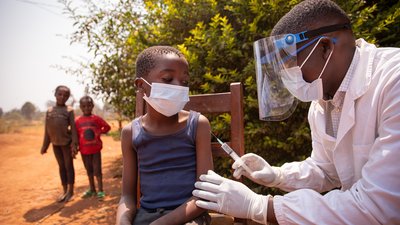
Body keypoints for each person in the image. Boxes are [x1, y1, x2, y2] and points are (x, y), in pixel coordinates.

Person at [192, 0, 400, 224]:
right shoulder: (324, 101)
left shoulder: (393, 80)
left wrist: (260, 206)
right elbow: (326, 170)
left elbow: (380, 206)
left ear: (325, 48)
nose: (286, 76)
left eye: (290, 64)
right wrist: (277, 175)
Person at [116, 46, 214, 225]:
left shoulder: (197, 125)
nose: (178, 87)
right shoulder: (131, 133)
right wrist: (123, 222)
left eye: (184, 81)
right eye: (168, 79)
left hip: (189, 217)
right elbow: (127, 196)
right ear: (141, 85)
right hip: (145, 217)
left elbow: (205, 196)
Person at [40, 85, 79, 202]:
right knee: (61, 167)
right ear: (55, 94)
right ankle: (65, 190)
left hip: (67, 144)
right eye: (60, 94)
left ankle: (71, 192)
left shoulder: (69, 111)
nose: (62, 97)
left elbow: (73, 129)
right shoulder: (49, 111)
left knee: (68, 166)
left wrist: (74, 145)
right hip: (55, 144)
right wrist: (44, 146)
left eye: (66, 95)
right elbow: (47, 130)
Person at [75, 95, 111, 199]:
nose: (87, 108)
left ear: (92, 106)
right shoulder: (77, 121)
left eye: (89, 106)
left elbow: (107, 127)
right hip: (84, 151)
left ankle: (100, 190)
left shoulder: (96, 119)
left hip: (95, 150)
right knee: (89, 170)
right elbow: (75, 135)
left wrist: (99, 132)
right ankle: (92, 189)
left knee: (97, 170)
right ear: (80, 107)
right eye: (84, 106)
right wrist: (75, 146)